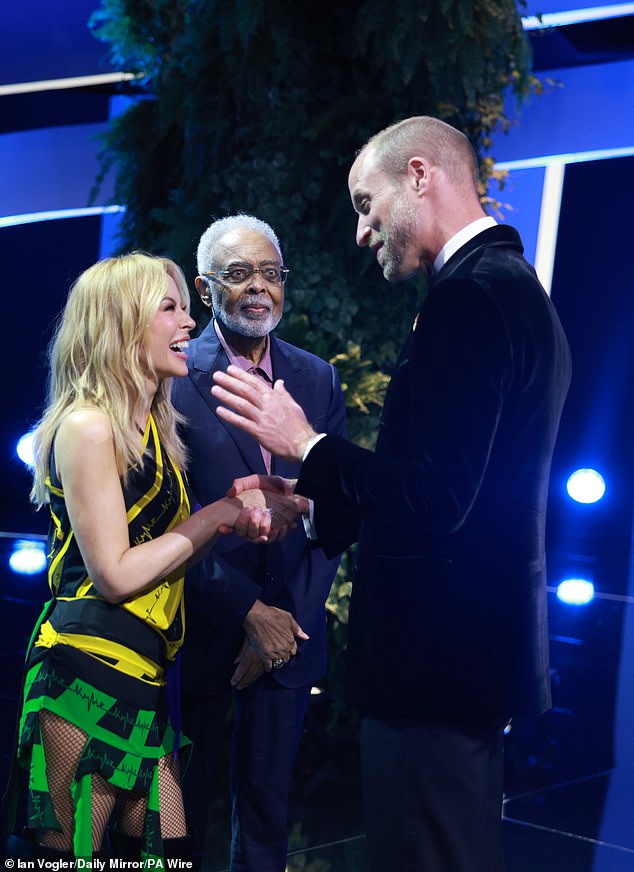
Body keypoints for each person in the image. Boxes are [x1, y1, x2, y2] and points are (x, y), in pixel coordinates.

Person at [210, 117, 573, 872]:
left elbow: (439, 497)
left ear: (418, 175)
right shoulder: (508, 288)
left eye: (366, 204)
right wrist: (312, 500)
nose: (361, 231)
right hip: (466, 667)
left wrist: (304, 443)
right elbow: (460, 486)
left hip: (434, 672)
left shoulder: (469, 301)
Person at [5, 252, 303, 864]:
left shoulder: (155, 430)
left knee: (167, 854)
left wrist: (236, 508)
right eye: (169, 309)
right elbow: (114, 575)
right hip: (82, 674)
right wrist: (216, 518)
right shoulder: (87, 425)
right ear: (119, 323)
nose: (187, 325)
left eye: (185, 311)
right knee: (64, 857)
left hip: (144, 676)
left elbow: (165, 553)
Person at [170, 214, 347, 871]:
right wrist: (248, 612)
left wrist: (285, 627)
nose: (259, 289)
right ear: (205, 287)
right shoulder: (169, 373)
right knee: (176, 818)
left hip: (287, 642)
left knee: (268, 821)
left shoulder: (318, 378)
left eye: (271, 274)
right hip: (200, 626)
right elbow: (165, 518)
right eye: (239, 273)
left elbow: (336, 510)